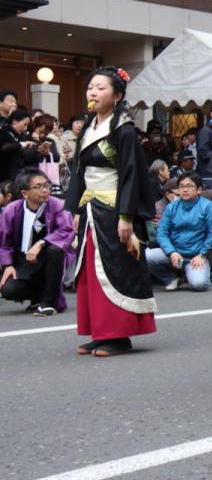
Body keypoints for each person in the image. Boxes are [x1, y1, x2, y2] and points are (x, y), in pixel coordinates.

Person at [64, 66, 158, 356]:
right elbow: (79, 170)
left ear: (117, 95)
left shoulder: (125, 129)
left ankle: (118, 335)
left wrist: (126, 216)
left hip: (114, 205)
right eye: (91, 86)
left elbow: (131, 173)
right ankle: (100, 331)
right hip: (91, 205)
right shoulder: (89, 127)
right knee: (91, 269)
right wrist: (76, 207)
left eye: (101, 87)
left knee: (116, 267)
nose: (93, 91)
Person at [0, 168, 74, 315]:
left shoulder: (57, 205)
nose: (45, 190)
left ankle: (49, 303)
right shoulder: (11, 210)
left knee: (55, 250)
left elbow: (66, 230)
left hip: (48, 260)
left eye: (47, 185)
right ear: (24, 193)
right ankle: (37, 298)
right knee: (9, 290)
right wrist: (7, 265)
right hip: (23, 261)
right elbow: (4, 241)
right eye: (39, 187)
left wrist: (41, 243)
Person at [146, 171, 212, 291]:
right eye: (182, 186)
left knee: (200, 285)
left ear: (199, 190)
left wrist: (202, 254)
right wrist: (171, 252)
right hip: (174, 254)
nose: (185, 190)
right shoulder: (172, 207)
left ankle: (191, 273)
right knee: (146, 256)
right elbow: (162, 232)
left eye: (189, 186)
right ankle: (171, 278)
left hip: (196, 257)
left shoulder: (207, 206)